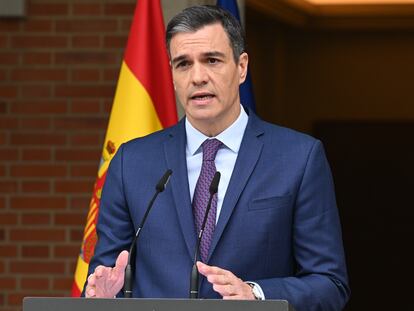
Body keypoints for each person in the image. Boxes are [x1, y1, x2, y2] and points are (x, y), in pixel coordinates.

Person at [84, 5, 350, 311]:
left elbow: (330, 284)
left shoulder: (299, 157)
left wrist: (256, 294)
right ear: (171, 74)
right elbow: (105, 276)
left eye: (212, 60)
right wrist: (100, 293)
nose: (198, 77)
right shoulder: (131, 162)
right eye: (183, 64)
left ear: (241, 67)